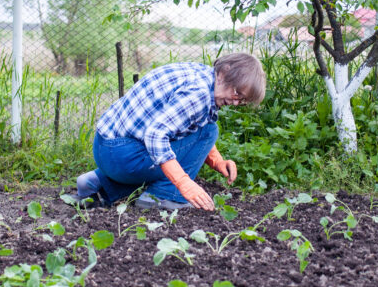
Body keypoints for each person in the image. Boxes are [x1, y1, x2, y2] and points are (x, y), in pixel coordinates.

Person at [74, 52, 265, 211]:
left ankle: (98, 183)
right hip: (123, 155)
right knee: (209, 131)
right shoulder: (199, 95)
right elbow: (155, 135)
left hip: (106, 148)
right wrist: (183, 183)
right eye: (237, 93)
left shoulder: (201, 74)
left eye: (242, 101)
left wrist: (217, 161)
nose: (235, 102)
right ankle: (165, 196)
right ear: (224, 72)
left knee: (205, 131)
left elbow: (191, 127)